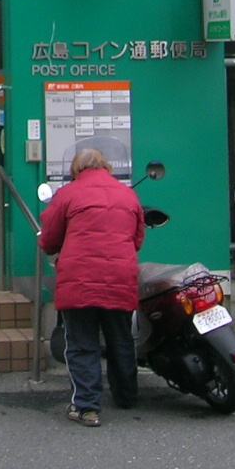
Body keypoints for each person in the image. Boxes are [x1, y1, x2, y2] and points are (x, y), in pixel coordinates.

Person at [38, 147, 146, 428]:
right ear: (106, 166)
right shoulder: (128, 195)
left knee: (82, 343)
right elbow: (137, 239)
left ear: (77, 169)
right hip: (120, 276)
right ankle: (126, 396)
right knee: (121, 340)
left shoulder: (69, 194)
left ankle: (87, 408)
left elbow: (49, 239)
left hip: (80, 278)